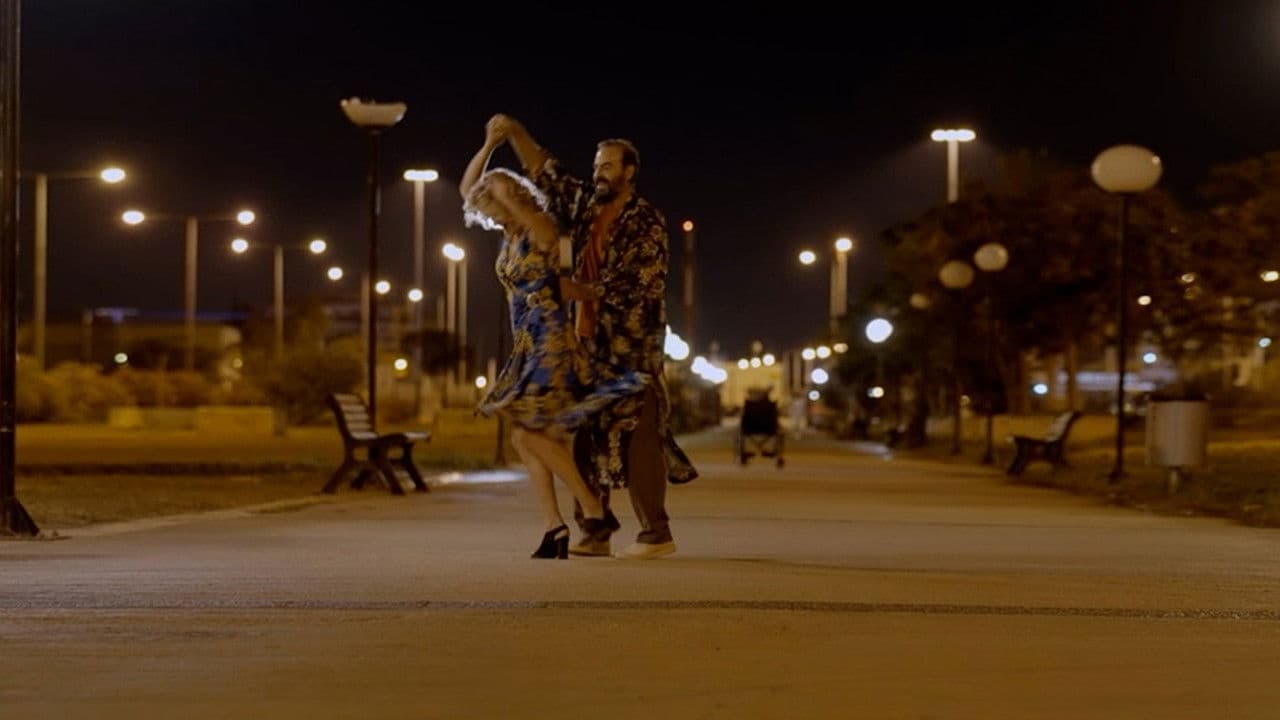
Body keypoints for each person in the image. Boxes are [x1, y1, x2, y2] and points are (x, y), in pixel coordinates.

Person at [486, 114, 697, 560]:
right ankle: (595, 530)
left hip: (630, 344)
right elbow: (546, 170)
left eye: (608, 166)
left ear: (629, 171)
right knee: (585, 432)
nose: (599, 173)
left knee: (638, 431)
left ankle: (656, 533)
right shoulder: (584, 206)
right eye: (597, 165)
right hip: (584, 341)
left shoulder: (645, 219)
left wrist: (580, 291)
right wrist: (516, 133)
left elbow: (642, 283)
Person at [459, 126, 646, 560]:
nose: (491, 213)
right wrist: (488, 146)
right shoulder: (509, 234)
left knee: (530, 433)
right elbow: (468, 189)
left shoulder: (542, 226)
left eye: (495, 205)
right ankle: (555, 527)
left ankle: (593, 508)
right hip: (526, 342)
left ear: (510, 199)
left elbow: (547, 246)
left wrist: (506, 192)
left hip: (550, 338)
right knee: (527, 437)